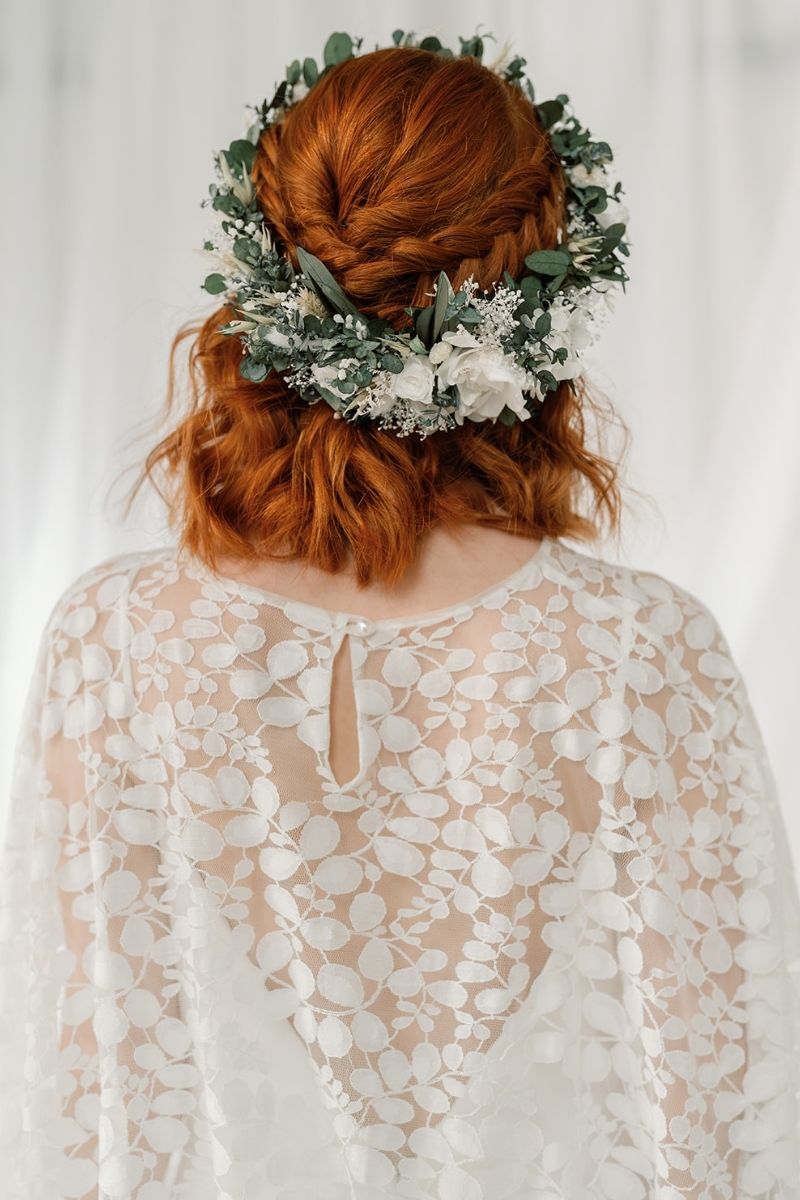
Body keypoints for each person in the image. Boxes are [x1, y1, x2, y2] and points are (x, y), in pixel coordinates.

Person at [2, 29, 799, 1200]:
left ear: (266, 280)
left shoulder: (111, 642)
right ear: (546, 296)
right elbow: (725, 1117)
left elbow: (66, 1104)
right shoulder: (639, 654)